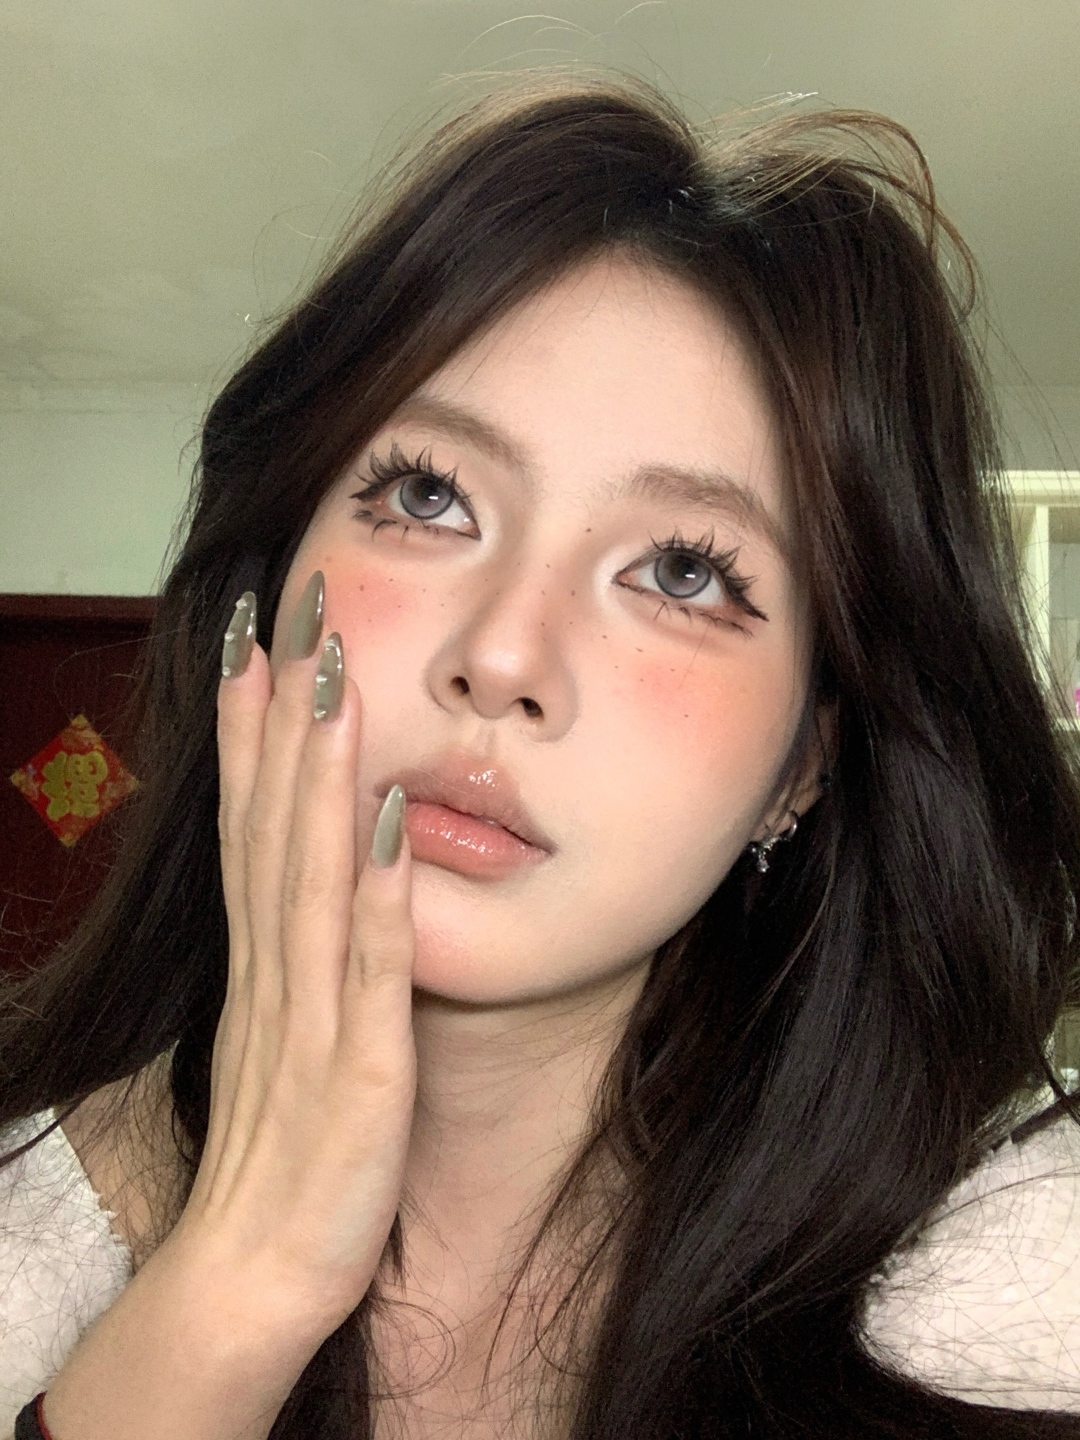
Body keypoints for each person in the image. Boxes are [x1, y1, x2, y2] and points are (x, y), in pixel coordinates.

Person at [0, 74, 1078, 1440]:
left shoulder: (1024, 1281)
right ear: (266, 599)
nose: (505, 656)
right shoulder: (27, 1241)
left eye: (684, 572)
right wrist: (236, 1287)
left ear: (805, 764)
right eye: (429, 495)